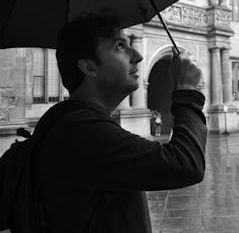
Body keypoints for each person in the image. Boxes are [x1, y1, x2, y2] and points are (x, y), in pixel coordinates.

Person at [35, 13, 207, 233]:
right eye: (119, 47)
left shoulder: (75, 121)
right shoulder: (82, 131)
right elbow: (185, 165)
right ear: (89, 67)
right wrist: (186, 92)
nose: (137, 55)